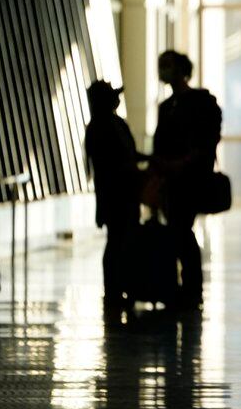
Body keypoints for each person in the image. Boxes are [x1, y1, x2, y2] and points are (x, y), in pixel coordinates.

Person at [152, 50, 222, 308]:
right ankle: (184, 288)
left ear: (181, 70)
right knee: (178, 232)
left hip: (188, 180)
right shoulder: (168, 106)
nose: (163, 71)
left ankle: (189, 290)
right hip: (172, 179)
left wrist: (180, 163)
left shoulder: (197, 103)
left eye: (167, 66)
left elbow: (205, 142)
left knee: (180, 231)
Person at [84, 80, 143, 311]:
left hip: (119, 193)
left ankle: (119, 288)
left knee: (119, 240)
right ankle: (115, 289)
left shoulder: (106, 124)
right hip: (116, 194)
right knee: (118, 241)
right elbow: (113, 162)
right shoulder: (105, 126)